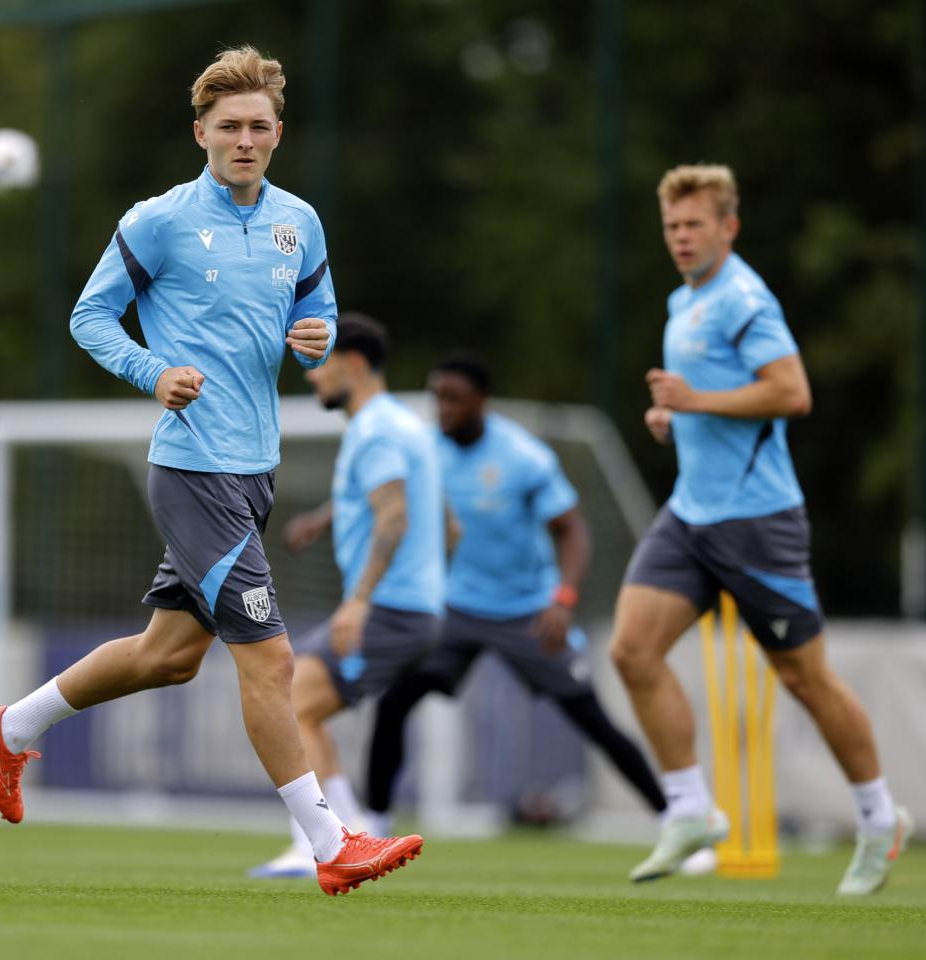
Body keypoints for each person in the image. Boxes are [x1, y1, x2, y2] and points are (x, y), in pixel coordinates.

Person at [0, 46, 422, 897]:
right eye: (228, 128)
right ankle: (329, 844)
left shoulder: (300, 222)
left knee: (169, 655)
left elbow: (317, 306)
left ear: (278, 134)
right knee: (273, 661)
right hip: (192, 467)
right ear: (200, 133)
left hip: (256, 470)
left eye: (258, 127)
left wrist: (315, 333)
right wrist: (153, 373)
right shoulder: (158, 221)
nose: (243, 140)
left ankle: (10, 724)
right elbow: (89, 316)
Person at [611, 163, 910, 892]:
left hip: (756, 522)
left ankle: (880, 817)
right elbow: (706, 398)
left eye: (695, 226)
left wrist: (696, 400)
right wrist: (674, 412)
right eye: (672, 227)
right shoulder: (685, 300)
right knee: (631, 651)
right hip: (691, 515)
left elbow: (792, 393)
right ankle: (690, 809)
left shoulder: (745, 300)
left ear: (728, 228)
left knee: (804, 678)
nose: (681, 238)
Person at [361, 355, 676, 840]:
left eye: (454, 399)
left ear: (480, 402)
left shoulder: (523, 457)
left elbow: (572, 531)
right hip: (455, 609)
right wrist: (322, 519)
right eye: (438, 397)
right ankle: (374, 823)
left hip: (527, 612)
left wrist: (563, 597)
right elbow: (386, 498)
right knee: (395, 701)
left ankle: (673, 821)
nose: (443, 408)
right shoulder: (425, 449)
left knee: (592, 720)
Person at [249, 312, 445, 880]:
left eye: (319, 363)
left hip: (391, 608)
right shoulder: (404, 425)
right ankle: (346, 833)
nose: (311, 376)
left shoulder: (376, 430)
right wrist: (326, 518)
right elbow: (440, 519)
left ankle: (321, 843)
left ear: (353, 363)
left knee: (287, 701)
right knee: (298, 700)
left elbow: (395, 515)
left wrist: (359, 600)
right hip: (415, 605)